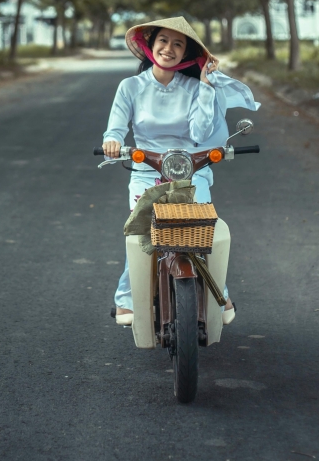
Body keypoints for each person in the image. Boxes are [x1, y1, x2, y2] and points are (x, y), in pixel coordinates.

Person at [101, 17, 260, 327]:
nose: (168, 49)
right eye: (163, 41)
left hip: (191, 169)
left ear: (186, 54)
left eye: (178, 44)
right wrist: (112, 142)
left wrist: (204, 85)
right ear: (150, 44)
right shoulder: (130, 87)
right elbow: (116, 128)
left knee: (204, 232)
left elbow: (200, 132)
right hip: (146, 169)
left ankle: (219, 293)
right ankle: (126, 298)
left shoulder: (192, 87)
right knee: (143, 231)